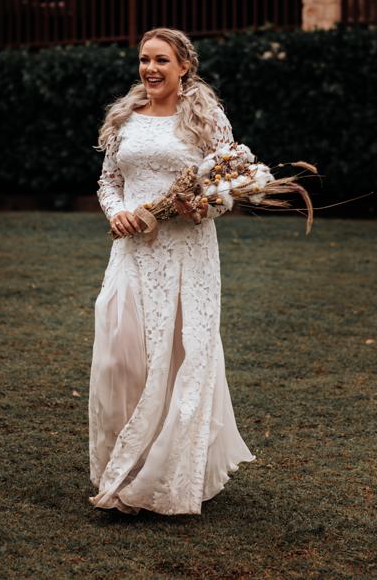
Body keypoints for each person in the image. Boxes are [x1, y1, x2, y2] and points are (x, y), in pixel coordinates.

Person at [91, 27, 254, 513]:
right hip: (132, 250)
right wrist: (116, 210)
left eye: (161, 60)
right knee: (120, 356)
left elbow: (228, 184)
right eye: (144, 60)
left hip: (187, 253)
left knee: (181, 357)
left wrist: (202, 208)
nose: (150, 69)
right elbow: (108, 180)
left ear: (185, 65)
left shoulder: (205, 117)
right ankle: (126, 462)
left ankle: (164, 477)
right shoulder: (125, 117)